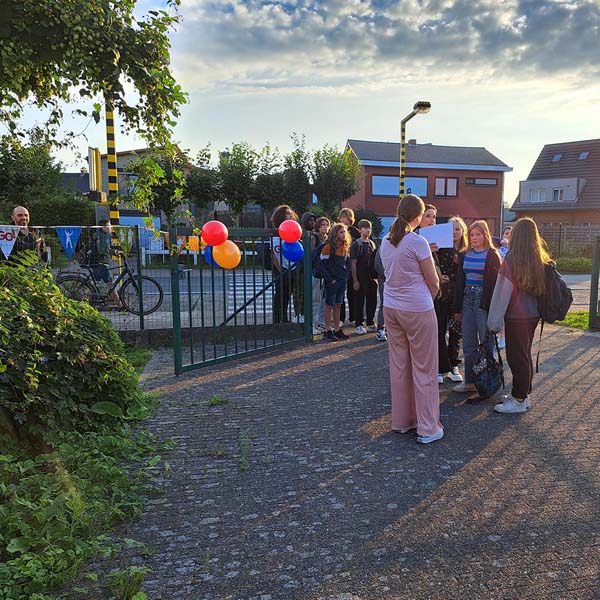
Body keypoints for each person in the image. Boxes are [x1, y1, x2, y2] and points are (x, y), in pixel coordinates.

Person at [379, 194, 443, 444]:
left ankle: (402, 421)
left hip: (391, 307)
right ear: (418, 217)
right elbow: (433, 281)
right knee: (425, 368)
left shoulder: (385, 241)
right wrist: (433, 295)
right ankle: (428, 427)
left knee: (400, 366)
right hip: (417, 309)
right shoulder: (418, 242)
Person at [487, 218, 551, 414]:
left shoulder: (513, 258)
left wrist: (493, 322)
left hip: (516, 316)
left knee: (517, 358)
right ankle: (523, 394)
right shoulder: (539, 257)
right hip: (533, 316)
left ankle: (519, 399)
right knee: (525, 356)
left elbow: (502, 291)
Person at [452, 220, 501, 396]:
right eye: (472, 234)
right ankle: (470, 382)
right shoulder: (465, 255)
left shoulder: (492, 255)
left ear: (485, 235)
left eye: (478, 234)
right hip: (467, 298)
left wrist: (492, 308)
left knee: (486, 343)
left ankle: (487, 382)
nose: (474, 238)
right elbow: (459, 282)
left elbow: (495, 284)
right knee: (468, 343)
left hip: (483, 300)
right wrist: (457, 308)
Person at [436, 216, 468, 384]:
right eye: (451, 229)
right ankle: (440, 367)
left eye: (457, 228)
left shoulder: (467, 250)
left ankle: (454, 364)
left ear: (463, 231)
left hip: (460, 295)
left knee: (456, 331)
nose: (454, 232)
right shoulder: (440, 248)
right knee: (440, 330)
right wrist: (440, 276)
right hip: (442, 294)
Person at [318, 223, 351, 342]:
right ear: (335, 234)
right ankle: (328, 330)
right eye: (341, 232)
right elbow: (321, 265)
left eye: (345, 232)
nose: (344, 234)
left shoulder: (345, 246)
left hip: (342, 280)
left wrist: (346, 276)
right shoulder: (328, 247)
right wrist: (329, 278)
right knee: (329, 305)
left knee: (338, 305)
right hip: (332, 281)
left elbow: (346, 264)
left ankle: (337, 329)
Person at [271, 205, 299, 323]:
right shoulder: (275, 234)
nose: (289, 215)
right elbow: (273, 255)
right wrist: (281, 270)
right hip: (281, 270)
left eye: (289, 213)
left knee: (288, 295)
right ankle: (278, 320)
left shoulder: (293, 231)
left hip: (292, 268)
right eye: (286, 213)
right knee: (280, 295)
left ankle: (285, 319)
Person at [350, 219, 378, 335]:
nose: (368, 230)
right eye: (365, 228)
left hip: (371, 276)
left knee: (372, 299)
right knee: (359, 300)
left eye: (369, 228)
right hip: (360, 275)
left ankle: (370, 321)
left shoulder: (372, 243)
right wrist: (355, 280)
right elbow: (353, 263)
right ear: (360, 230)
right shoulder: (356, 244)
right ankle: (359, 323)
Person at [92, 220, 124, 307]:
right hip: (101, 263)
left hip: (97, 262)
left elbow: (107, 247)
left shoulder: (102, 236)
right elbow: (103, 249)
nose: (111, 228)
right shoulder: (102, 237)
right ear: (103, 228)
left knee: (95, 284)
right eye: (109, 226)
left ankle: (92, 301)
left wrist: (115, 250)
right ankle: (120, 305)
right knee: (111, 285)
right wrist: (115, 251)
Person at [338, 208, 360, 327]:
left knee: (352, 293)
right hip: (340, 264)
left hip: (352, 264)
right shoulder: (336, 230)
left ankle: (353, 316)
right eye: (342, 217)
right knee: (340, 293)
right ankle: (340, 318)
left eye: (345, 217)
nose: (343, 219)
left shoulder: (355, 232)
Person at [311, 216, 330, 334]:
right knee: (315, 299)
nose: (325, 227)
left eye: (327, 225)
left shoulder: (328, 239)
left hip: (326, 273)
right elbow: (312, 255)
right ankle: (313, 324)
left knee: (324, 300)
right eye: (323, 225)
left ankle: (321, 323)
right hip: (316, 272)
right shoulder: (314, 238)